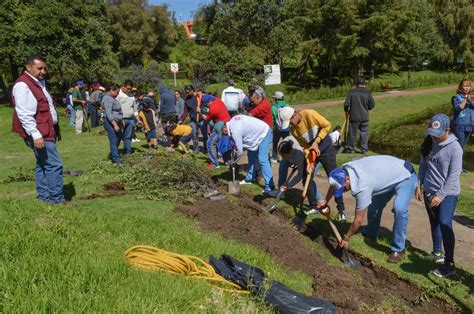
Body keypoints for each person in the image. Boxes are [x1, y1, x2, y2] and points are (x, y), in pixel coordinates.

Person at [321, 155, 417, 263]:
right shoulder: (345, 169)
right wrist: (326, 201)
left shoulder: (362, 186)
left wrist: (346, 238)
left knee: (399, 208)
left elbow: (358, 220)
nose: (342, 191)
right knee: (374, 206)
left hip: (405, 176)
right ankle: (371, 231)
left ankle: (398, 249)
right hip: (387, 177)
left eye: (343, 188)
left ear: (347, 179)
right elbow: (335, 184)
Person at [277, 106, 347, 224]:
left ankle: (341, 210)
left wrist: (316, 142)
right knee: (306, 177)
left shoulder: (309, 114)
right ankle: (314, 206)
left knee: (335, 178)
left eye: (290, 122)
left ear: (294, 115)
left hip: (325, 147)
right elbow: (305, 147)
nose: (290, 125)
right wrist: (310, 161)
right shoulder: (294, 130)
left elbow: (327, 125)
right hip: (312, 151)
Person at [11, 54, 65, 204]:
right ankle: (57, 200)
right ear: (28, 67)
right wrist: (35, 134)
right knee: (54, 165)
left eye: (44, 68)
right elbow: (23, 113)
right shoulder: (23, 85)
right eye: (39, 68)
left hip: (46, 129)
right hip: (40, 132)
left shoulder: (38, 82)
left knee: (43, 164)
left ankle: (45, 197)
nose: (43, 71)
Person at [416, 114, 462, 277]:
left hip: (448, 193)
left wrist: (441, 195)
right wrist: (419, 184)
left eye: (437, 134)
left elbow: (454, 175)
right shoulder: (429, 142)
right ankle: (437, 252)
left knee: (444, 223)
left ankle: (449, 264)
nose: (433, 137)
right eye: (431, 133)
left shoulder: (455, 148)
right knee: (434, 222)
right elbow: (423, 166)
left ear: (447, 131)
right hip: (430, 190)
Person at [219, 115, 275, 194]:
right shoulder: (232, 123)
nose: (224, 135)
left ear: (224, 128)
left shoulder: (235, 130)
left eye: (223, 133)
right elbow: (234, 145)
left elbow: (239, 151)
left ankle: (270, 186)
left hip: (264, 133)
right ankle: (250, 178)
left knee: (262, 159)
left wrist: (234, 161)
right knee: (251, 155)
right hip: (254, 136)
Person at [274, 137, 324, 210]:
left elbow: (300, 175)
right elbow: (285, 155)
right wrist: (290, 160)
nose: (282, 157)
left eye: (284, 156)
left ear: (290, 153)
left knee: (308, 179)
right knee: (283, 163)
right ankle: (280, 191)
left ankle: (320, 202)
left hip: (313, 158)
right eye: (281, 155)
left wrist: (288, 185)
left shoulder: (299, 156)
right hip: (296, 156)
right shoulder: (285, 143)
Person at [197, 94, 231, 169]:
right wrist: (201, 95)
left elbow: (206, 119)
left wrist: (200, 112)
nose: (205, 106)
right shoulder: (218, 100)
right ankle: (228, 162)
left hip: (220, 125)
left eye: (206, 105)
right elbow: (210, 96)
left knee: (210, 143)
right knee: (224, 144)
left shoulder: (213, 109)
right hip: (228, 124)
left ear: (209, 102)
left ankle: (215, 163)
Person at [343, 77, 375, 154]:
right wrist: (367, 108)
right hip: (364, 117)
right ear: (364, 84)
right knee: (364, 134)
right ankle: (364, 150)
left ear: (356, 84)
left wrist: (346, 110)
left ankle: (351, 149)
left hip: (354, 116)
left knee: (352, 134)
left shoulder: (351, 92)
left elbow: (346, 104)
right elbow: (372, 105)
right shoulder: (368, 92)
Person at [451, 79, 473, 172]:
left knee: (462, 147)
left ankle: (459, 167)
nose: (467, 87)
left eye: (468, 86)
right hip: (459, 124)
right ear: (460, 87)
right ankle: (456, 168)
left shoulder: (472, 98)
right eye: (465, 86)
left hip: (469, 125)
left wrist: (470, 98)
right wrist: (465, 99)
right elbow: (458, 108)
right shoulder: (456, 97)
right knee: (458, 147)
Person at [116, 80, 141, 154]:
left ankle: (128, 153)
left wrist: (138, 120)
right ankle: (115, 153)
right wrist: (119, 118)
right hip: (121, 119)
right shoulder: (117, 94)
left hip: (130, 120)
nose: (129, 90)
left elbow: (135, 109)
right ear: (123, 86)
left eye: (130, 89)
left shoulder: (132, 96)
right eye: (128, 88)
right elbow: (115, 107)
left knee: (128, 137)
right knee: (119, 137)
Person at [101, 84, 123, 164]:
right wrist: (115, 124)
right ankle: (116, 160)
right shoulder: (108, 99)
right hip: (110, 122)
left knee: (119, 137)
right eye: (117, 92)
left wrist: (120, 119)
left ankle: (114, 154)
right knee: (114, 140)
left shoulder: (112, 98)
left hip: (116, 122)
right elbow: (108, 113)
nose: (118, 94)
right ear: (111, 90)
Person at [179, 85, 202, 153]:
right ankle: (196, 148)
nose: (187, 93)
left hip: (202, 119)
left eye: (188, 92)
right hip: (193, 120)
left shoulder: (199, 97)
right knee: (194, 135)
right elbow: (186, 112)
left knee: (206, 135)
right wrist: (181, 120)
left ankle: (207, 149)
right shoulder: (187, 100)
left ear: (192, 90)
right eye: (186, 92)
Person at [271, 91, 290, 163]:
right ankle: (288, 157)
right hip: (286, 128)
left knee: (275, 143)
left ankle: (275, 157)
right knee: (287, 143)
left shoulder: (273, 107)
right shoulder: (287, 105)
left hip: (277, 128)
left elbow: (273, 118)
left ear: (276, 99)